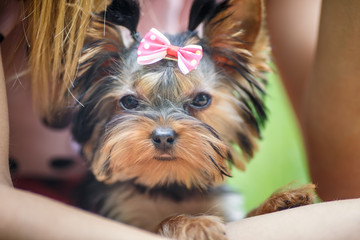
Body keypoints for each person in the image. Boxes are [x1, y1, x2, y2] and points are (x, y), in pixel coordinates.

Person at [0, 0, 359, 239]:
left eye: (198, 101)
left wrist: (259, 217)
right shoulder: (112, 202)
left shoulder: (217, 196)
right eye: (130, 102)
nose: (163, 129)